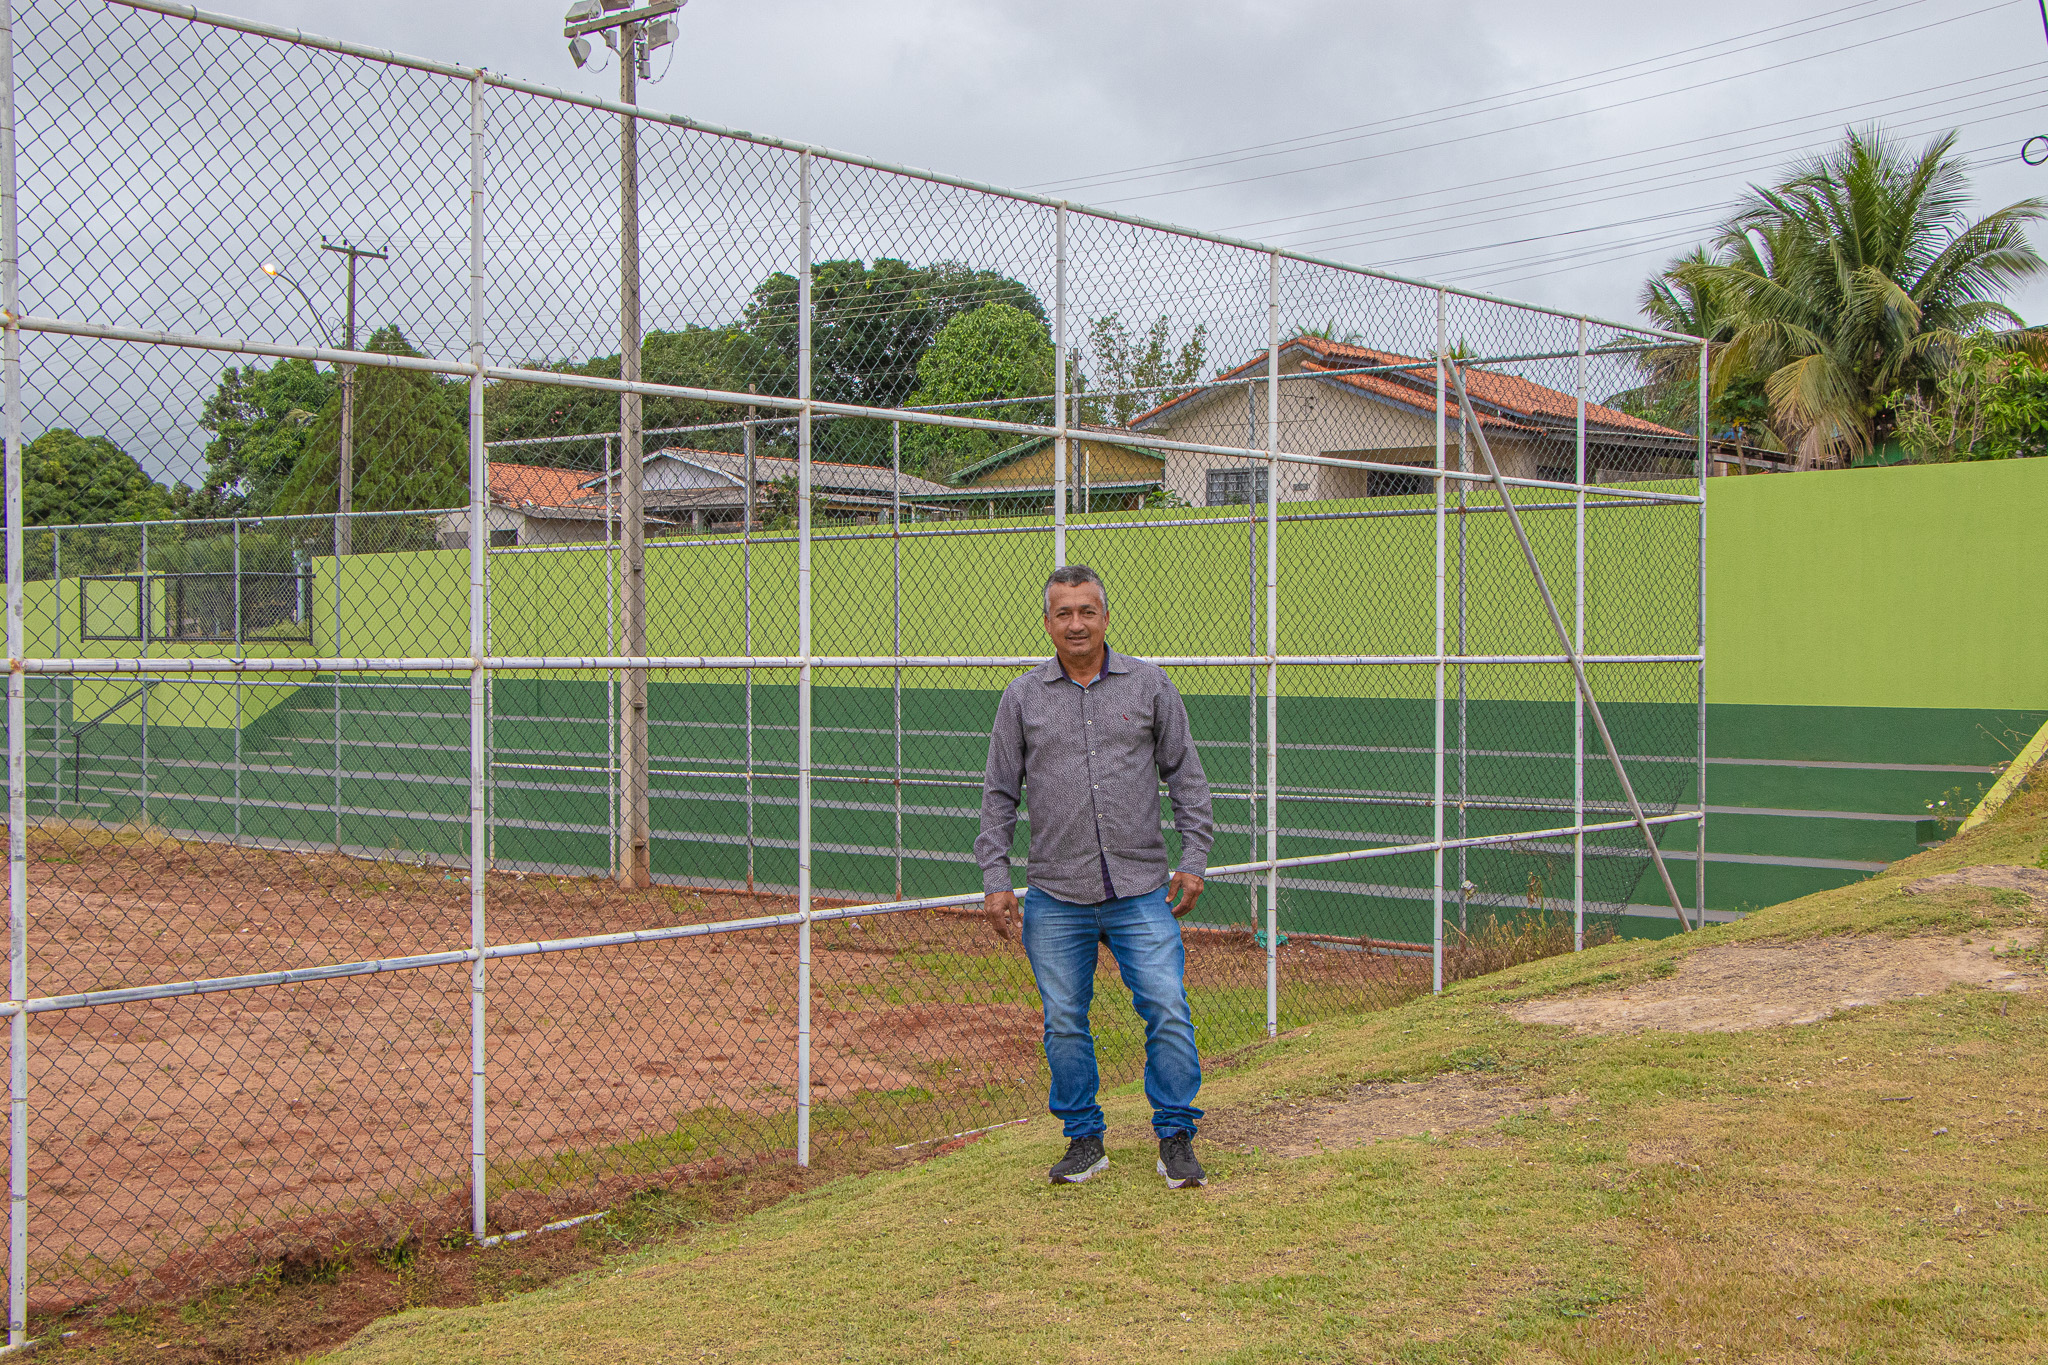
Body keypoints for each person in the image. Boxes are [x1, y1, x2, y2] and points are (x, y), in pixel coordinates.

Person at [976, 563, 1216, 1188]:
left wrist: (1194, 858)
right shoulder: (1023, 698)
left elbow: (1185, 776)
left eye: (1088, 610)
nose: (1076, 623)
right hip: (1057, 892)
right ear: (1048, 622)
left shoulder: (1151, 686)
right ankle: (1084, 1140)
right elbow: (1000, 794)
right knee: (1063, 1021)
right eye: (1064, 613)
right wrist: (995, 876)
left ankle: (1176, 1137)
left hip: (1140, 888)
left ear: (1106, 617)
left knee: (1166, 1007)